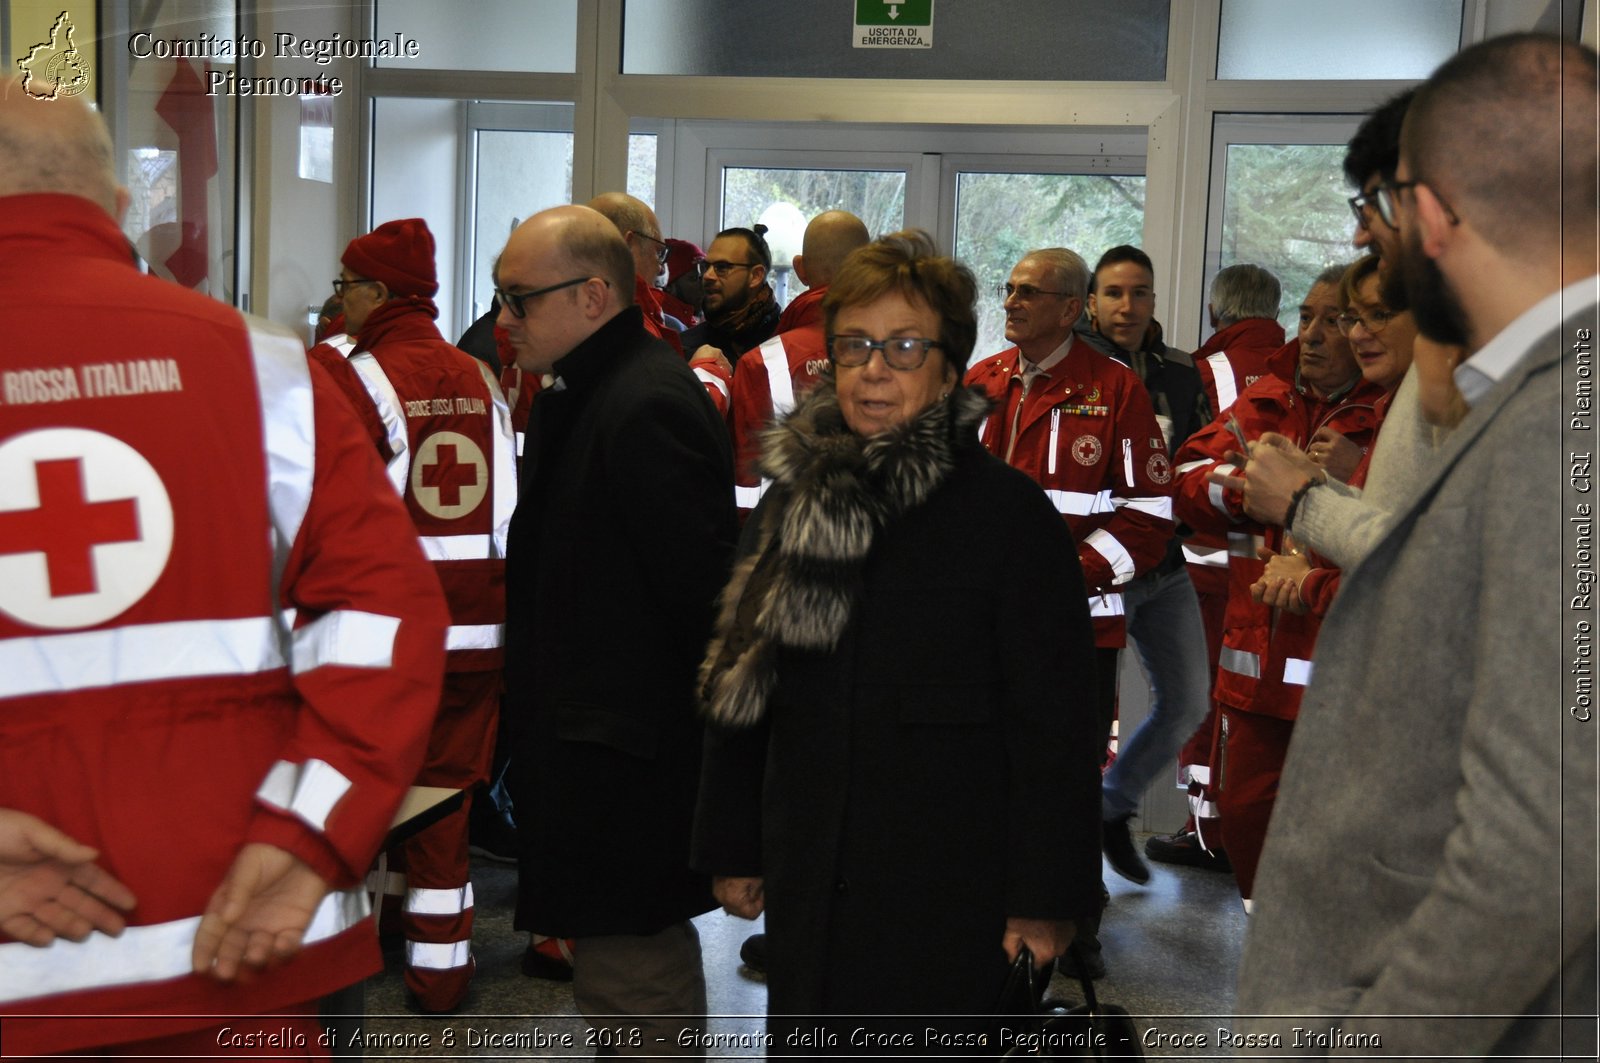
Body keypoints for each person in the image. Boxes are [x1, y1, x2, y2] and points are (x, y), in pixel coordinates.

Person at [0, 75, 448, 1056]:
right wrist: (310, 837)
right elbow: (385, 621)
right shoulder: (267, 366)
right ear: (120, 208)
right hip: (237, 939)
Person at [1236, 34, 1598, 1057]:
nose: (1374, 244)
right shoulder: (1534, 397)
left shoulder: (1565, 423)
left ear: (1431, 213)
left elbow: (1543, 846)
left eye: (1385, 208)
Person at [694, 229, 1103, 1050]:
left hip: (950, 887)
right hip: (813, 872)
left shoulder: (1009, 519)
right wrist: (735, 841)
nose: (873, 368)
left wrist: (1044, 896)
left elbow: (1057, 726)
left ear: (950, 369)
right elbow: (745, 680)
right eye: (854, 346)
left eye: (904, 346)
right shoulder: (793, 504)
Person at [496, 204, 736, 1054]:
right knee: (615, 981)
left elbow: (705, 602)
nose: (503, 319)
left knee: (638, 981)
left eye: (519, 298)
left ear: (595, 294)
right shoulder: (589, 389)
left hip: (629, 765)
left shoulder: (643, 402)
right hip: (594, 753)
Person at [317, 217, 516, 1014]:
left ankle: (358, 953)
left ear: (377, 293)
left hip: (391, 636)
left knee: (362, 794)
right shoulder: (481, 374)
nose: (339, 302)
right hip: (480, 634)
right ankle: (440, 974)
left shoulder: (355, 379)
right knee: (443, 803)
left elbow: (329, 512)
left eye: (346, 287)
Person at [1171, 265, 1384, 907]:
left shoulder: (1398, 412)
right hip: (1255, 667)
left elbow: (1417, 535)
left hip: (1347, 679)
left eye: (1336, 320)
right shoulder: (1268, 396)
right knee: (1245, 821)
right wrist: (1243, 491)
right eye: (1308, 317)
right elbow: (1185, 473)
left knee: (1338, 845)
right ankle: (1269, 957)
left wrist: (1348, 482)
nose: (1314, 335)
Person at [1074, 245, 1213, 887]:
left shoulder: (1184, 371)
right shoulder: (1072, 368)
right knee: (1081, 717)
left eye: (1141, 293)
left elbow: (1202, 457)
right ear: (1091, 301)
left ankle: (1109, 806)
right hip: (1099, 568)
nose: (1128, 306)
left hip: (1165, 565)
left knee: (1189, 702)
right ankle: (1075, 884)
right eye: (1114, 293)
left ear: (1155, 300)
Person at [729, 209, 871, 516]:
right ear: (869, 268)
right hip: (888, 549)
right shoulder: (906, 355)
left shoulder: (760, 364)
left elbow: (747, 491)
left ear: (800, 269)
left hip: (784, 545)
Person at [681, 224, 782, 365]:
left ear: (755, 276)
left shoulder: (786, 343)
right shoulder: (686, 347)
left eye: (722, 267)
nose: (707, 276)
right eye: (705, 267)